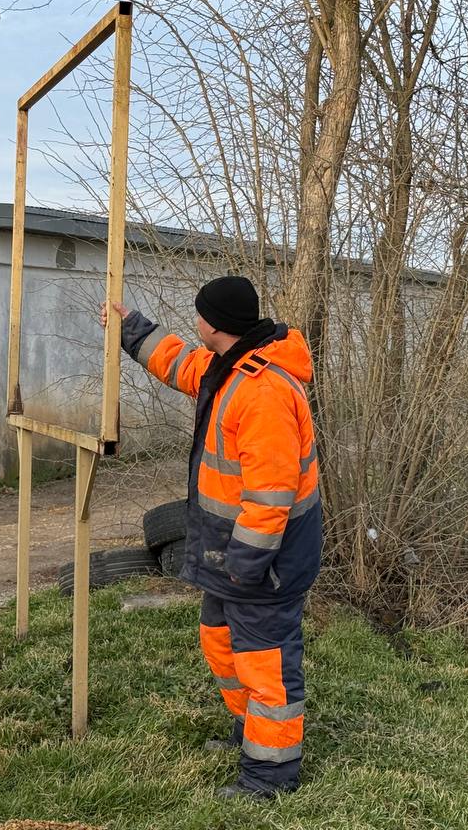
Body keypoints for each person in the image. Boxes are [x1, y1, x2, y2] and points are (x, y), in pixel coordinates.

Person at [103, 275, 322, 799]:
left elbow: (271, 496)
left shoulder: (263, 392)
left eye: (198, 313)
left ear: (215, 323)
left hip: (264, 557)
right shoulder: (228, 365)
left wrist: (246, 565)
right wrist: (130, 328)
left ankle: (269, 775)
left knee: (264, 661)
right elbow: (178, 361)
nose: (193, 320)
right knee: (221, 640)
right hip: (236, 553)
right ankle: (252, 734)